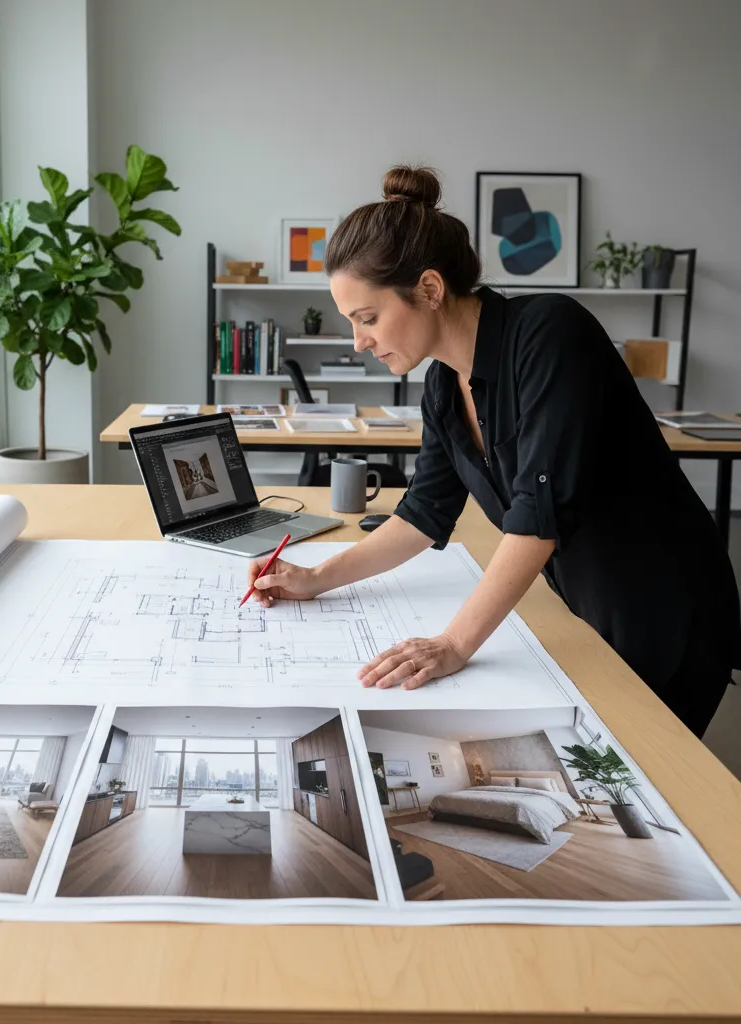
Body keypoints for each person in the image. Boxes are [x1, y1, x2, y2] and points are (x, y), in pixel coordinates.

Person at [248, 165, 741, 738]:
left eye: (368, 318)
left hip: (666, 607)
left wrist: (454, 643)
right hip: (587, 604)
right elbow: (423, 512)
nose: (359, 342)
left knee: (652, 786)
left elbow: (538, 517)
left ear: (430, 290)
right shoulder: (441, 384)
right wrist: (315, 578)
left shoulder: (551, 334)